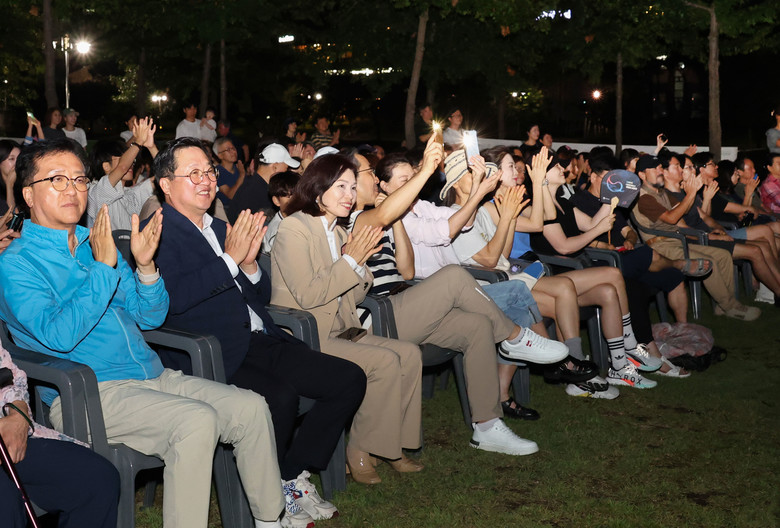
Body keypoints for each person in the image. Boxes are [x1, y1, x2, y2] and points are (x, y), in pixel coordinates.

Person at [0, 138, 286, 528]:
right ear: (28, 194)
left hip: (151, 376)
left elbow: (150, 316)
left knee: (251, 408)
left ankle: (270, 521)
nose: (72, 189)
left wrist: (147, 268)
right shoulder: (16, 264)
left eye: (80, 179)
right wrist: (103, 268)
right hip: (89, 394)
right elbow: (58, 336)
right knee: (196, 421)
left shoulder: (93, 242)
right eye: (57, 180)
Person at [149, 137, 365, 525]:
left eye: (209, 171)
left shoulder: (219, 227)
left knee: (348, 379)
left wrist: (249, 265)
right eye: (193, 173)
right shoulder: (159, 234)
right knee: (279, 398)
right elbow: (172, 301)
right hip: (210, 351)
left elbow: (261, 296)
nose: (206, 180)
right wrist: (230, 260)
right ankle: (274, 493)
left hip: (258, 338)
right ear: (166, 184)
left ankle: (289, 473)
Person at [347, 142, 564, 449]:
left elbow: (406, 271)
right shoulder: (357, 219)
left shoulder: (393, 217)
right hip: (379, 315)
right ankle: (515, 337)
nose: (371, 178)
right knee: (454, 276)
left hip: (407, 300)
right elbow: (440, 238)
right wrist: (424, 174)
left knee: (477, 326)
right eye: (368, 173)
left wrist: (398, 221)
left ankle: (487, 426)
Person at [270, 154, 424, 485]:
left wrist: (360, 264)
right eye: (340, 186)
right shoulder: (294, 228)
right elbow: (309, 295)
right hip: (307, 335)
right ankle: (360, 451)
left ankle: (392, 444)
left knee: (410, 354)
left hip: (341, 329)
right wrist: (351, 261)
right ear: (318, 188)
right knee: (384, 362)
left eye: (353, 188)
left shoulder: (338, 233)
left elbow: (351, 297)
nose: (349, 195)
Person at [529, 151, 661, 389]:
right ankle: (630, 343)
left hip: (575, 274)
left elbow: (591, 223)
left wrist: (611, 200)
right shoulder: (537, 207)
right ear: (542, 174)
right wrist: (596, 232)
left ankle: (619, 366)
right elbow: (564, 246)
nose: (564, 169)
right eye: (557, 167)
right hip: (556, 276)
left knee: (609, 292)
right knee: (613, 273)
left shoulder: (563, 202)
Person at [0, 342, 120, 528]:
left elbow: (8, 376)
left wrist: (18, 414)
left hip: (5, 433)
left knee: (96, 479)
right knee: (5, 503)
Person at [632, 154, 761, 321]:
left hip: (677, 241)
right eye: (654, 169)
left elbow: (683, 216)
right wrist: (691, 193)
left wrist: (692, 195)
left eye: (660, 168)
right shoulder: (643, 198)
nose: (660, 171)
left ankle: (724, 305)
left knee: (722, 255)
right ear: (642, 175)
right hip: (660, 247)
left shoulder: (662, 193)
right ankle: (730, 306)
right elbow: (672, 218)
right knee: (709, 261)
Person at [87, 117, 158, 230]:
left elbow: (165, 177)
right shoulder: (96, 192)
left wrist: (151, 147)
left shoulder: (131, 193)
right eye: (123, 158)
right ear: (106, 166)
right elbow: (122, 167)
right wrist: (138, 142)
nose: (131, 163)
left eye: (131, 159)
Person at [228, 143, 299, 223]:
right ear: (275, 167)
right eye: (286, 169)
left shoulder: (254, 185)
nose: (286, 173)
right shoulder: (255, 193)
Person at [262, 170, 299, 253]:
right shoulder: (279, 233)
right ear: (276, 201)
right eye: (290, 197)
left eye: (299, 196)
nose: (297, 201)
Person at [213, 137, 246, 209]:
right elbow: (230, 195)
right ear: (220, 155)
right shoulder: (217, 172)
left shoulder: (238, 168)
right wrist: (242, 175)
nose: (233, 152)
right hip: (226, 209)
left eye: (233, 148)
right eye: (228, 150)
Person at [0, 140, 19, 213]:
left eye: (19, 159)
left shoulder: (23, 185)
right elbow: (9, 216)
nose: (16, 163)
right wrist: (9, 186)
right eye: (11, 159)